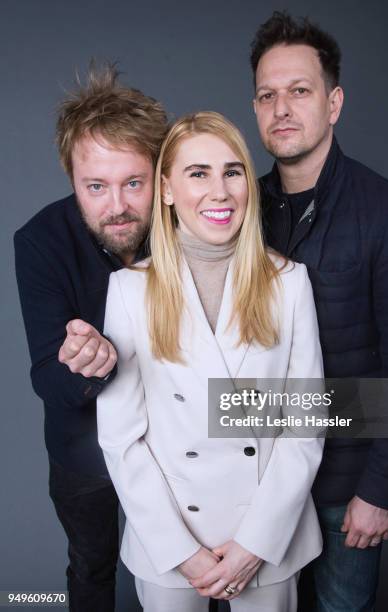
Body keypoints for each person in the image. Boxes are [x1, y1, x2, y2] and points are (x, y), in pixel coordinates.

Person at [250, 11, 388, 612]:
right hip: (255, 481)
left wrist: (382, 490)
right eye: (267, 95)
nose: (282, 108)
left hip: (346, 489)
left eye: (300, 91)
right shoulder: (236, 212)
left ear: (333, 103)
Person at [97, 111, 325, 612]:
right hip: (170, 543)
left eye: (233, 171)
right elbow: (121, 439)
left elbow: (305, 425)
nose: (219, 191)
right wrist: (183, 552)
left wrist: (255, 544)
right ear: (167, 190)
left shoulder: (290, 283)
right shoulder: (130, 290)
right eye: (198, 173)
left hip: (268, 538)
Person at [14, 64, 168, 611]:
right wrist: (88, 364)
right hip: (85, 453)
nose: (117, 206)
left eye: (134, 182)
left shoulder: (191, 225)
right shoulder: (39, 241)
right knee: (90, 569)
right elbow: (47, 380)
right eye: (95, 186)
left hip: (179, 445)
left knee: (199, 577)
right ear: (72, 180)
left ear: (160, 174)